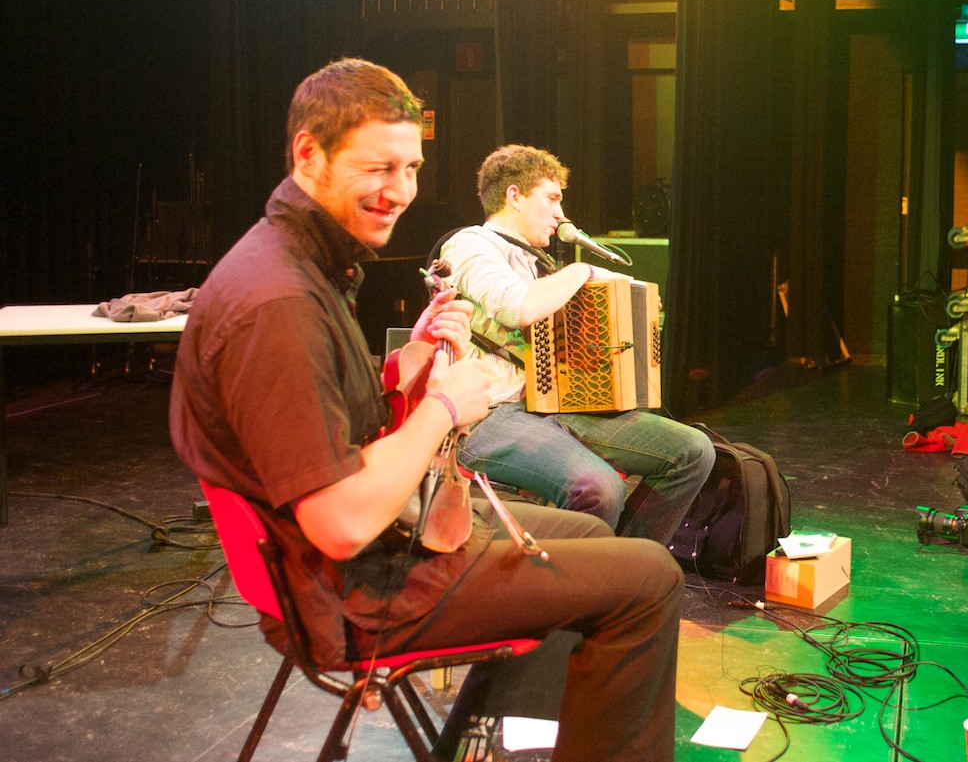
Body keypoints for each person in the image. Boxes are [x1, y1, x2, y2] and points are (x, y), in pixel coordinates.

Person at [168, 59, 682, 762]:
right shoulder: (278, 303)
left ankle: (484, 743)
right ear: (308, 153)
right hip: (358, 593)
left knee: (590, 528)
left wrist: (409, 363)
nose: (401, 191)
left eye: (410, 168)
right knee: (650, 578)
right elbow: (341, 522)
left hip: (376, 551)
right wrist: (443, 406)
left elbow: (329, 425)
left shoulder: (298, 264)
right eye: (378, 167)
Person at [438, 144, 713, 545]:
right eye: (551, 199)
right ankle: (588, 576)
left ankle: (628, 564)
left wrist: (629, 302)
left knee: (692, 451)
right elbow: (517, 307)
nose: (560, 215)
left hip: (549, 406)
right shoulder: (471, 244)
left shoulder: (539, 263)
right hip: (487, 417)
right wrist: (583, 270)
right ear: (514, 196)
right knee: (600, 489)